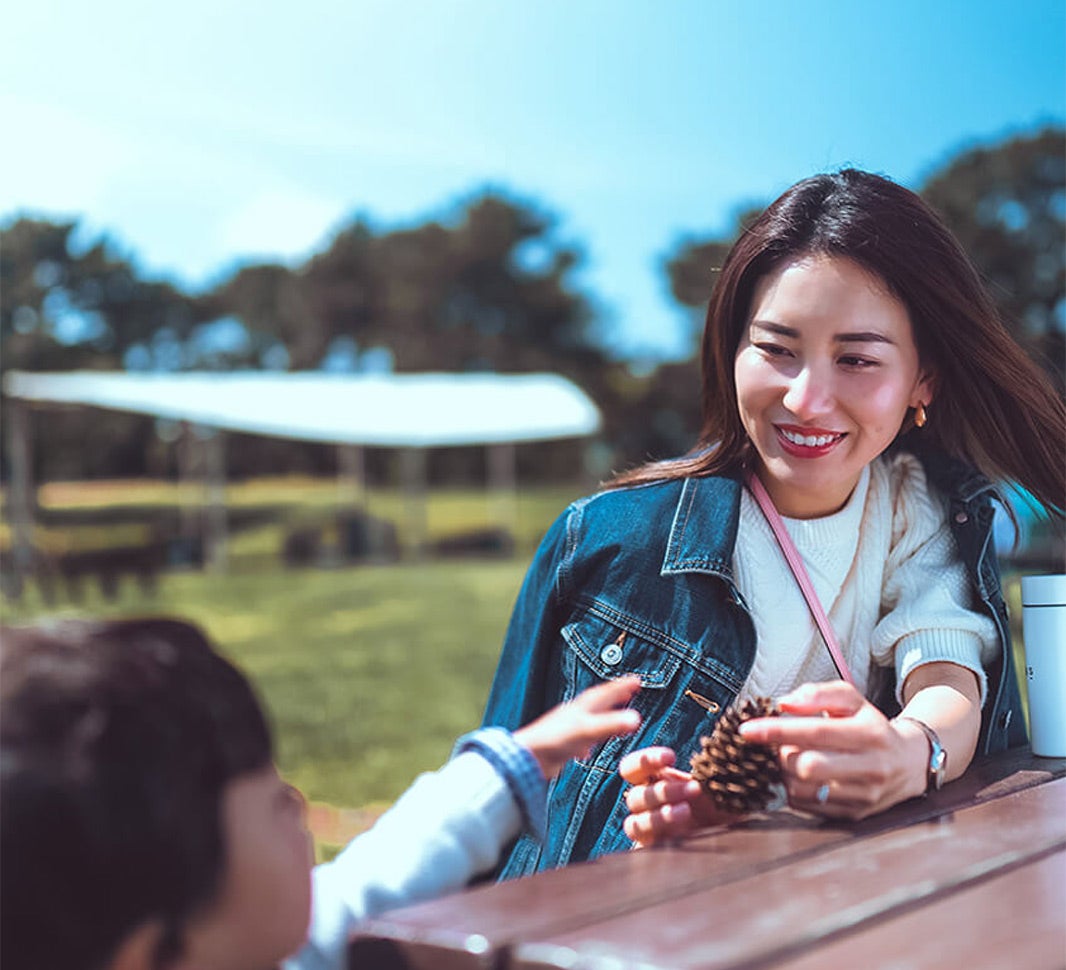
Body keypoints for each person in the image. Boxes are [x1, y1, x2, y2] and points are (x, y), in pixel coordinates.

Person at [481, 168, 1065, 876]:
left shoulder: (928, 516)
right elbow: (492, 799)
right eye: (776, 349)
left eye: (856, 359)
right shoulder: (601, 542)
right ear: (733, 349)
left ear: (924, 380)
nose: (808, 399)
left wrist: (911, 754)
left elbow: (946, 680)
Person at [0, 617, 641, 970]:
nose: (298, 801)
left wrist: (515, 761)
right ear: (158, 957)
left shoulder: (249, 949)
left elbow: (373, 876)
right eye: (270, 797)